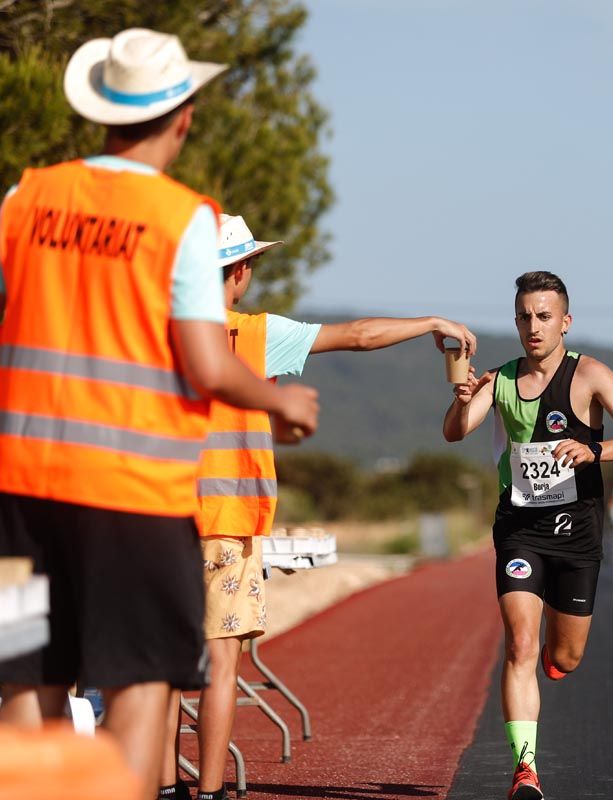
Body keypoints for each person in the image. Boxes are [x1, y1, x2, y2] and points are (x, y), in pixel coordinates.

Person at [0, 29, 319, 798]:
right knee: (140, 693)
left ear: (101, 111)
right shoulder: (184, 222)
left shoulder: (25, 198)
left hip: (20, 493)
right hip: (137, 495)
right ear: (184, 119)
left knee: (26, 691)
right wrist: (281, 399)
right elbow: (207, 364)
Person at [158, 213, 477, 800]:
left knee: (158, 666)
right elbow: (357, 335)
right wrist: (430, 321)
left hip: (155, 518)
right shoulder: (254, 335)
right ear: (240, 271)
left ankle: (158, 785)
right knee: (220, 662)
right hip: (227, 523)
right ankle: (207, 793)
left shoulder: (157, 331)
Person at [441, 271, 613, 800]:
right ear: (515, 321)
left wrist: (594, 450)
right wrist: (462, 395)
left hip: (577, 535)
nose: (533, 327)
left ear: (565, 321)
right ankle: (525, 770)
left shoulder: (591, 376)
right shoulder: (501, 379)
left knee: (565, 656)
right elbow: (454, 431)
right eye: (524, 317)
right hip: (519, 530)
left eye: (543, 316)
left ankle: (557, 662)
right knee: (519, 644)